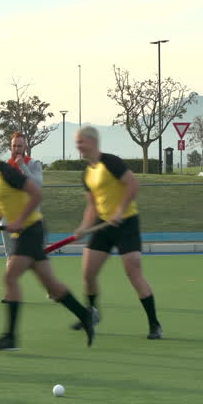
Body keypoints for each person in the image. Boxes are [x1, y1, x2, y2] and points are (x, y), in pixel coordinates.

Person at [0, 131, 95, 351]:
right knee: (52, 286)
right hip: (23, 232)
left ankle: (10, 337)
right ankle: (85, 315)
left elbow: (36, 193)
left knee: (10, 277)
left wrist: (20, 220)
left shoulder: (7, 172)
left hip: (31, 230)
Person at [71, 126, 163, 340]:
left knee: (133, 272)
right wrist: (84, 226)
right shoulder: (87, 173)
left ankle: (154, 324)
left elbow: (132, 184)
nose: (78, 146)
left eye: (80, 142)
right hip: (103, 226)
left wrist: (120, 210)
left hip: (126, 223)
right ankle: (92, 314)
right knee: (88, 274)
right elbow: (92, 205)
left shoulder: (111, 162)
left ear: (92, 142)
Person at [0, 131, 45, 257]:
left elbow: (37, 185)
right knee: (11, 255)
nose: (17, 149)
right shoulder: (6, 167)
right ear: (10, 147)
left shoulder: (34, 164)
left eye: (20, 146)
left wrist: (23, 166)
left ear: (25, 147)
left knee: (36, 259)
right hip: (12, 215)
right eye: (14, 146)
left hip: (31, 216)